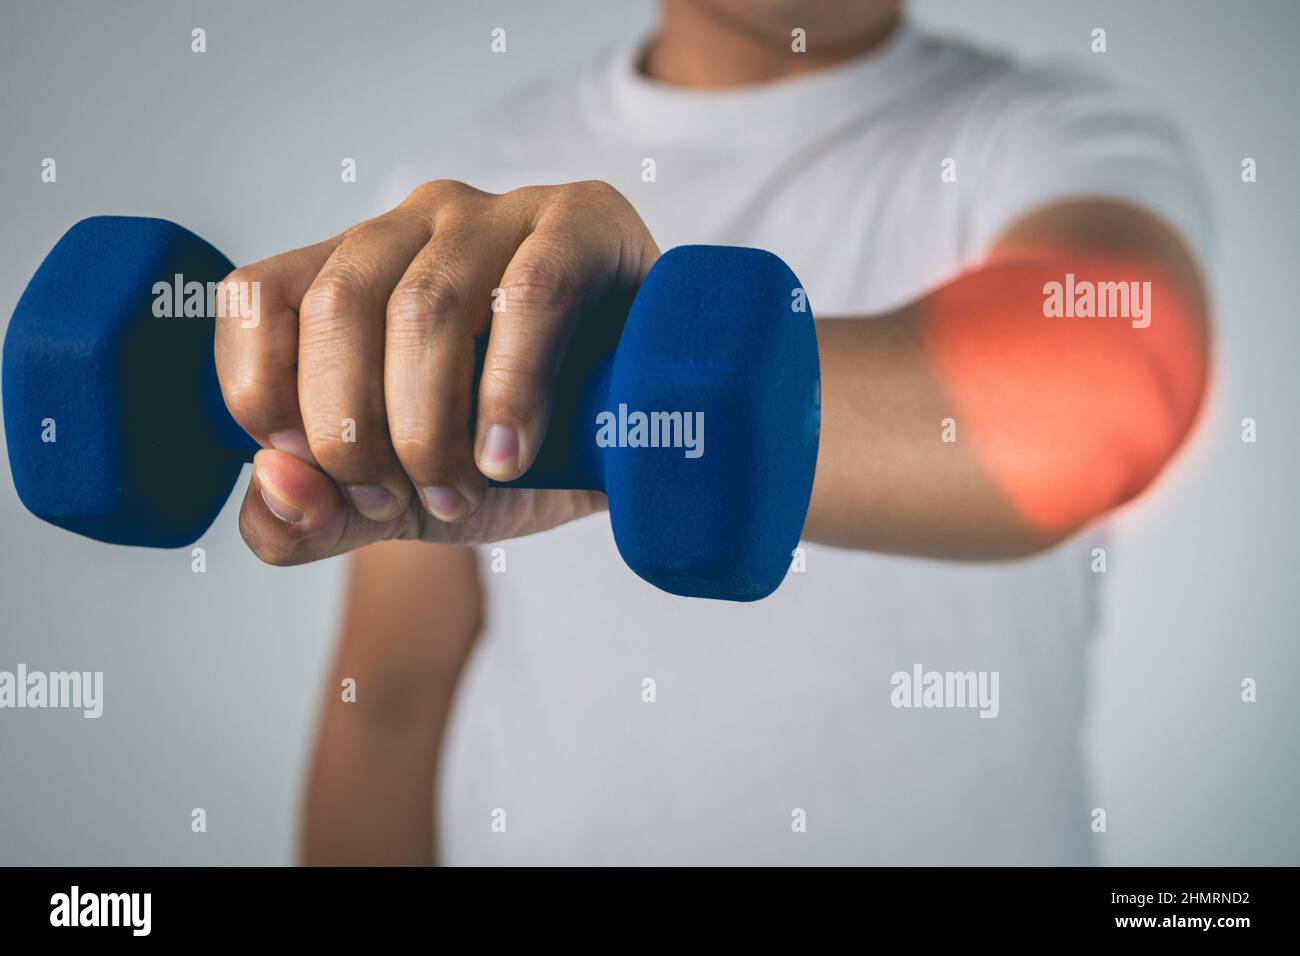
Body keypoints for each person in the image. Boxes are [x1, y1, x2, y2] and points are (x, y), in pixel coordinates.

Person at [213, 0, 1211, 864]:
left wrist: (609, 403)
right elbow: (391, 694)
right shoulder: (466, 175)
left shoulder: (1055, 135)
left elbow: (1102, 387)